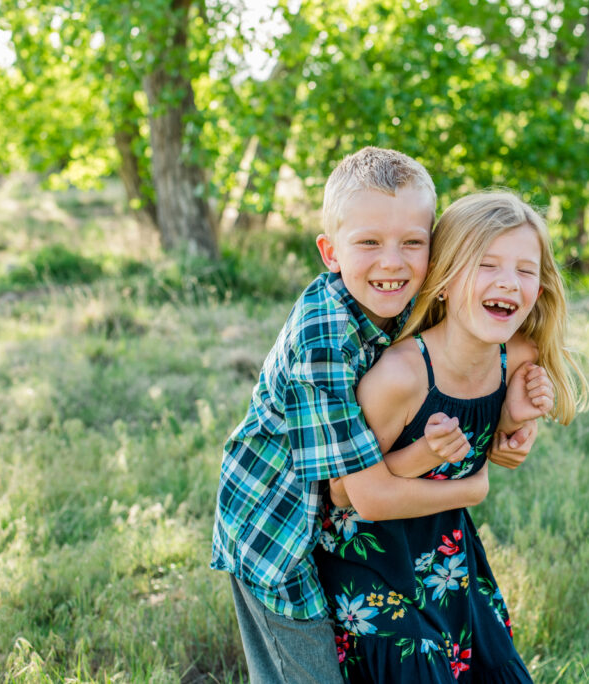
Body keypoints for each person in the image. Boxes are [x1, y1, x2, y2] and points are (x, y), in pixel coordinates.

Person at [210, 148, 540, 684]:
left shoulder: (410, 296)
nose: (393, 261)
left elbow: (488, 356)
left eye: (413, 242)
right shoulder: (323, 340)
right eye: (368, 243)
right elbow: (365, 495)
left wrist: (510, 424)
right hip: (279, 534)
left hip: (352, 530)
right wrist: (473, 486)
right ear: (330, 252)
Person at [314, 191, 589, 682]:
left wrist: (511, 424)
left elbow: (488, 448)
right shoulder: (401, 376)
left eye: (526, 271)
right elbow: (343, 494)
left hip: (446, 559)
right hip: (372, 566)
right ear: (443, 279)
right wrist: (457, 476)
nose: (508, 282)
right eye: (487, 265)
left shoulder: (517, 356)